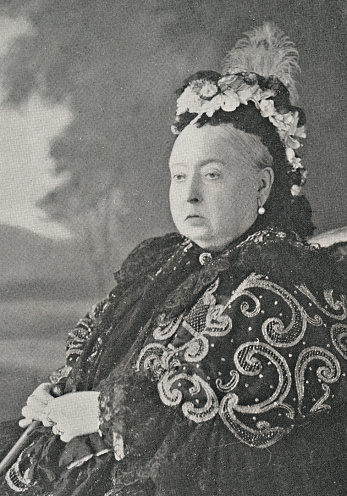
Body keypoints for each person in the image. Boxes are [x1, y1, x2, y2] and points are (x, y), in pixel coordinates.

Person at [1, 23, 347, 496]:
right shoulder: (166, 266)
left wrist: (99, 414)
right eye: (178, 175)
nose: (190, 195)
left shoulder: (283, 284)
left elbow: (233, 443)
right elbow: (107, 358)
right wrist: (56, 398)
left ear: (263, 187)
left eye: (212, 175)